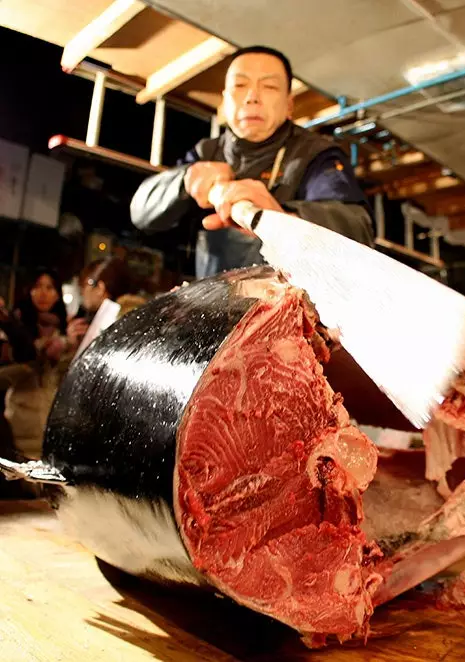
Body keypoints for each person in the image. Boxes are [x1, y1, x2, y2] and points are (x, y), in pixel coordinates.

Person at [130, 45, 374, 278]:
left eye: (269, 87)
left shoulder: (316, 154)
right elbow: (141, 214)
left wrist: (282, 218)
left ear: (289, 105)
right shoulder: (207, 151)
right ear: (225, 102)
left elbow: (359, 229)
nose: (252, 97)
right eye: (239, 85)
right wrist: (184, 180)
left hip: (288, 303)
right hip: (214, 299)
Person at [0, 269, 83, 460]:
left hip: (54, 423)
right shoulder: (15, 329)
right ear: (29, 290)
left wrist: (69, 346)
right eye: (37, 287)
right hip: (20, 423)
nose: (43, 293)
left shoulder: (66, 328)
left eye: (49, 287)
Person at [79, 256, 147, 322]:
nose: (81, 292)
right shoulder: (135, 317)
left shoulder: (111, 323)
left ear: (100, 288)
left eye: (83, 285)